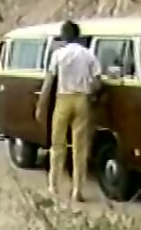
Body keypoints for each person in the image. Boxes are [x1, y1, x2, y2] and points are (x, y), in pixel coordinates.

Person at [36, 20, 102, 202]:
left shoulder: (58, 54)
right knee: (80, 147)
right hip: (82, 100)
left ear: (64, 36)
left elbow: (49, 82)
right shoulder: (88, 55)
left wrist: (41, 105)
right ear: (78, 35)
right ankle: (77, 189)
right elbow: (97, 82)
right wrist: (90, 92)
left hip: (63, 98)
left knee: (57, 145)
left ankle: (53, 185)